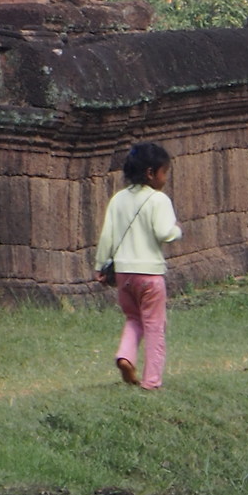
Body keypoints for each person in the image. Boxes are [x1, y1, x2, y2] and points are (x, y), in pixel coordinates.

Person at [96, 142, 182, 391]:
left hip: (124, 274)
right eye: (165, 172)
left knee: (134, 318)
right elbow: (164, 232)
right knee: (155, 326)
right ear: (151, 173)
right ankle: (152, 381)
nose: (165, 179)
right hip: (150, 274)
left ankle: (125, 356)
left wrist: (101, 265)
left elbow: (107, 236)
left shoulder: (118, 200)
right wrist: (177, 231)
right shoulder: (158, 200)